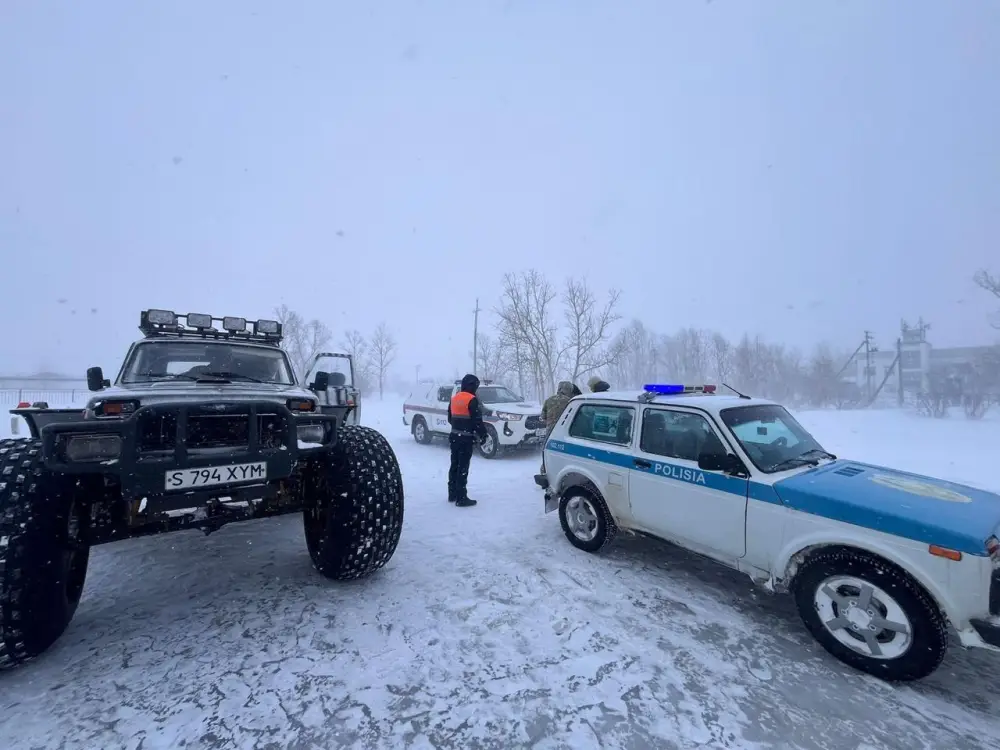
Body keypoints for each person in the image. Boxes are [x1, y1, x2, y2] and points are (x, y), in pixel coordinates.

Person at [447, 373, 488, 507]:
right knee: (463, 467)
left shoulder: (454, 398)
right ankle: (461, 497)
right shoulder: (472, 399)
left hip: (454, 437)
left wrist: (458, 426)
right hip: (465, 438)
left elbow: (449, 418)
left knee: (454, 465)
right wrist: (483, 435)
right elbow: (477, 421)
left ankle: (452, 493)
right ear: (473, 385)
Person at [539, 381, 576, 475]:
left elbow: (543, 417)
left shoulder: (549, 400)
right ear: (570, 390)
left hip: (550, 432)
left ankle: (544, 471)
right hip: (565, 433)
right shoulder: (571, 402)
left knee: (546, 452)